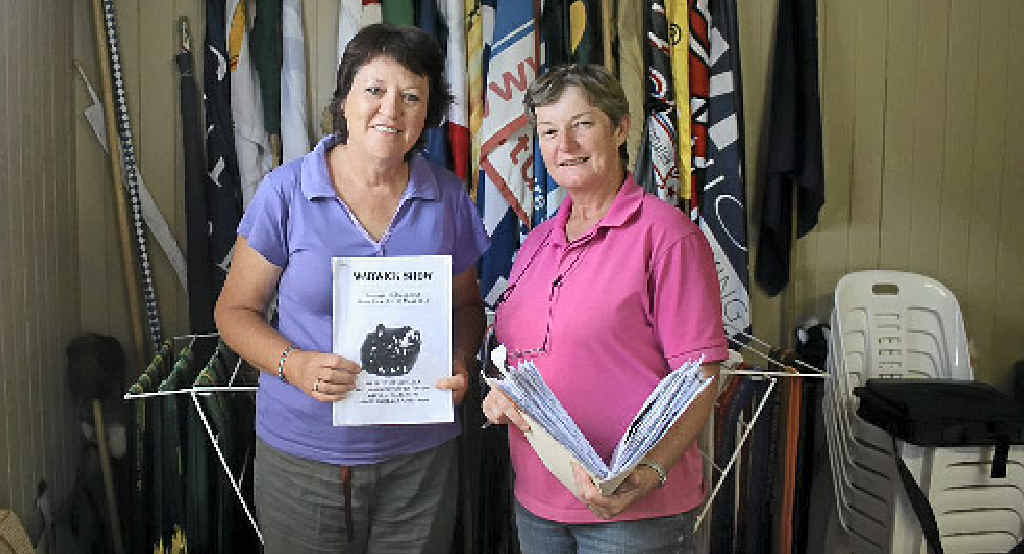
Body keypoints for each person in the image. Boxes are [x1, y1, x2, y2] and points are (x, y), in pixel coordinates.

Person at [214, 23, 489, 554]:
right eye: (375, 90)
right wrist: (294, 364)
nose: (392, 109)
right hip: (305, 453)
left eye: (412, 97)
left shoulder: (449, 197)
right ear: (344, 101)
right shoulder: (286, 191)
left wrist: (458, 360)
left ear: (427, 117)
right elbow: (235, 311)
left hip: (420, 457)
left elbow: (466, 306)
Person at [481, 64, 727, 553]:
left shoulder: (667, 236)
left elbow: (701, 374)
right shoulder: (537, 243)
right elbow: (518, 357)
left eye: (582, 125)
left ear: (619, 129)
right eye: (549, 131)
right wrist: (499, 397)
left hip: (634, 509)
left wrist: (652, 470)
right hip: (539, 500)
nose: (564, 145)